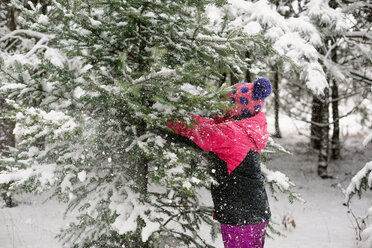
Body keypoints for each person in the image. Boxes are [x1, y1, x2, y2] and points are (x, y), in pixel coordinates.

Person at [166, 78, 272, 248]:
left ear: (236, 108)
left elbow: (202, 132)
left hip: (240, 215)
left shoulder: (233, 134)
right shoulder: (248, 127)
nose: (222, 107)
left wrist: (167, 119)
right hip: (253, 211)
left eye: (226, 102)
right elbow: (212, 126)